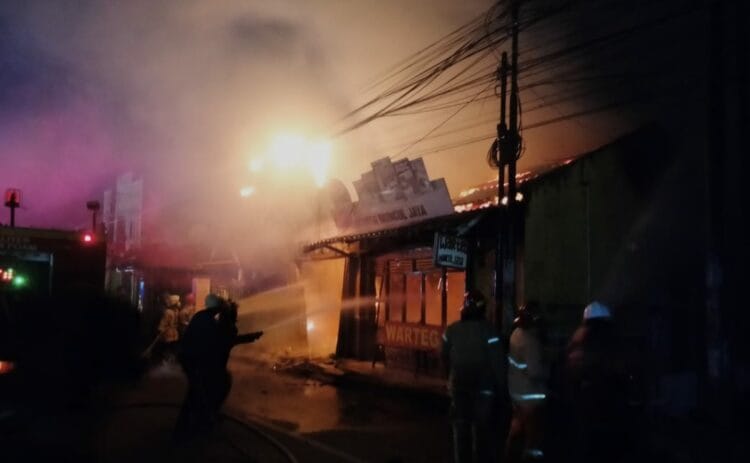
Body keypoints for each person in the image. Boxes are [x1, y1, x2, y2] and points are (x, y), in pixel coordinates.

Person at [175, 293, 263, 439]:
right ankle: (194, 428)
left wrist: (250, 337)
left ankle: (192, 425)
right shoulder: (212, 322)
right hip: (199, 364)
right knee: (204, 393)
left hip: (196, 363)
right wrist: (249, 337)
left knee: (198, 394)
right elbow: (225, 339)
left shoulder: (205, 318)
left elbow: (226, 339)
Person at [441, 290, 507, 463]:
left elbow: (443, 355)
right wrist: (502, 390)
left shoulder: (452, 330)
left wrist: (448, 380)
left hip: (459, 387)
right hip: (483, 389)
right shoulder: (490, 332)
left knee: (461, 431)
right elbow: (498, 363)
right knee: (482, 431)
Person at [563, 301, 627, 463]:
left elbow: (570, 368)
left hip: (582, 399)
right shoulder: (606, 340)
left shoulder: (577, 338)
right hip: (604, 400)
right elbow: (617, 368)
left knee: (585, 442)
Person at [505, 301, 548, 462]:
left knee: (516, 428)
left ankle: (509, 456)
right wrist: (549, 368)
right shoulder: (531, 341)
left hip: (517, 391)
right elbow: (536, 371)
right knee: (533, 435)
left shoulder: (516, 334)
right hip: (531, 395)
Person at [155, 294, 180, 363]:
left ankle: (169, 360)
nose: (179, 303)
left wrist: (161, 329)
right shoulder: (170, 312)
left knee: (170, 347)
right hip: (169, 333)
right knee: (168, 347)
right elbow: (164, 322)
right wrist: (161, 329)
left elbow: (163, 323)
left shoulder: (174, 311)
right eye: (178, 301)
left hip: (171, 333)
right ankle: (167, 360)